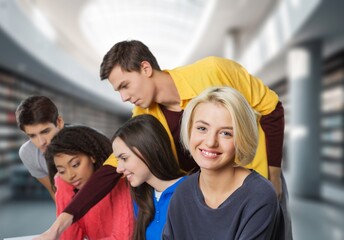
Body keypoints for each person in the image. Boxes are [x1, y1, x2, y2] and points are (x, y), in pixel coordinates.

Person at [35, 40, 291, 240]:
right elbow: (113, 167)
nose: (123, 97)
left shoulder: (214, 71)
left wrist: (274, 175)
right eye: (118, 91)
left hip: (255, 183)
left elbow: (271, 109)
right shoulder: (145, 115)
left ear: (145, 68)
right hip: (205, 197)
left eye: (125, 85)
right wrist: (63, 222)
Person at [162, 86, 282, 239]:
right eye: (202, 128)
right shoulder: (182, 193)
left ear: (242, 139)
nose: (211, 142)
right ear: (189, 129)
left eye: (226, 133)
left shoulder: (259, 195)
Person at [45, 125, 134, 240]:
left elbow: (123, 237)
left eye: (75, 165)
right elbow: (70, 237)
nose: (70, 175)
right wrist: (63, 187)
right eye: (62, 171)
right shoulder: (72, 192)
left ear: (92, 156)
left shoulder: (119, 182)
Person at [111, 114, 187, 240]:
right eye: (118, 160)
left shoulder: (191, 191)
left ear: (151, 148)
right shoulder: (142, 199)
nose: (119, 168)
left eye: (124, 158)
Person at [15, 96, 65, 200]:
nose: (41, 142)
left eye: (45, 131)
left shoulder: (84, 139)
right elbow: (55, 191)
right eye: (32, 136)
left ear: (59, 122)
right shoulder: (28, 153)